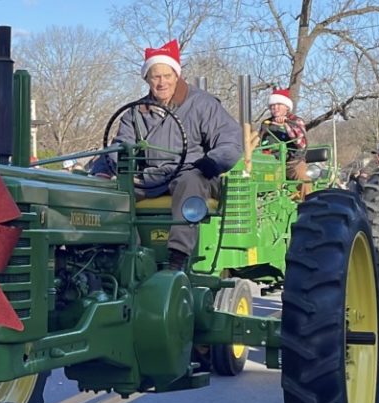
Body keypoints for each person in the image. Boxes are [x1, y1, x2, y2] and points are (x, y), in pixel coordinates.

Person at [90, 39, 242, 271]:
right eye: (155, 77)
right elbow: (121, 145)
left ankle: (177, 258)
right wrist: (108, 168)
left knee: (190, 181)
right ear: (147, 79)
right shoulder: (136, 111)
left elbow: (230, 139)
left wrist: (213, 161)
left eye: (167, 76)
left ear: (177, 75)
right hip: (152, 178)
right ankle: (133, 254)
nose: (161, 82)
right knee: (116, 191)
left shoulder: (202, 104)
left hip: (194, 172)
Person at [258, 88, 308, 180]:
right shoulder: (265, 123)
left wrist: (286, 126)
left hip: (293, 163)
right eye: (272, 105)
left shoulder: (296, 121)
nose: (275, 107)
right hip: (270, 162)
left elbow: (301, 144)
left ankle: (308, 194)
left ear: (287, 107)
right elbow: (260, 143)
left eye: (279, 104)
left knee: (303, 179)